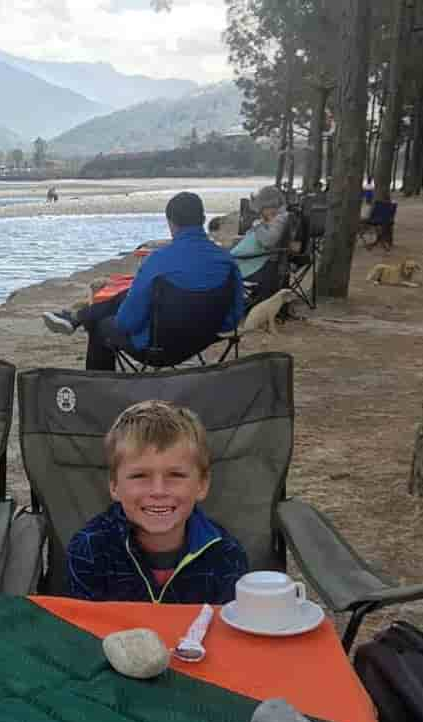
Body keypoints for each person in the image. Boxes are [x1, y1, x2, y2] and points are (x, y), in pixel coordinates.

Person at [67, 400, 248, 604]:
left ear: (202, 485)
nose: (158, 491)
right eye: (140, 476)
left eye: (176, 475)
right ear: (114, 485)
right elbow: (82, 629)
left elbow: (227, 631)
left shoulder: (226, 556)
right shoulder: (88, 549)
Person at [42, 192, 245, 371]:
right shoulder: (227, 261)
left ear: (171, 223)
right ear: (201, 219)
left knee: (102, 325)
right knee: (127, 297)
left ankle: (98, 386)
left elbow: (126, 322)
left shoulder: (157, 261)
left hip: (159, 349)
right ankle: (77, 316)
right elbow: (234, 316)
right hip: (202, 340)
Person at [230, 185, 289, 304]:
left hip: (260, 266)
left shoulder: (279, 219)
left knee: (223, 269)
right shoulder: (277, 217)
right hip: (257, 261)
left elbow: (268, 241)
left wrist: (258, 226)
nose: (261, 213)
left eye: (261, 210)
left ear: (269, 205)